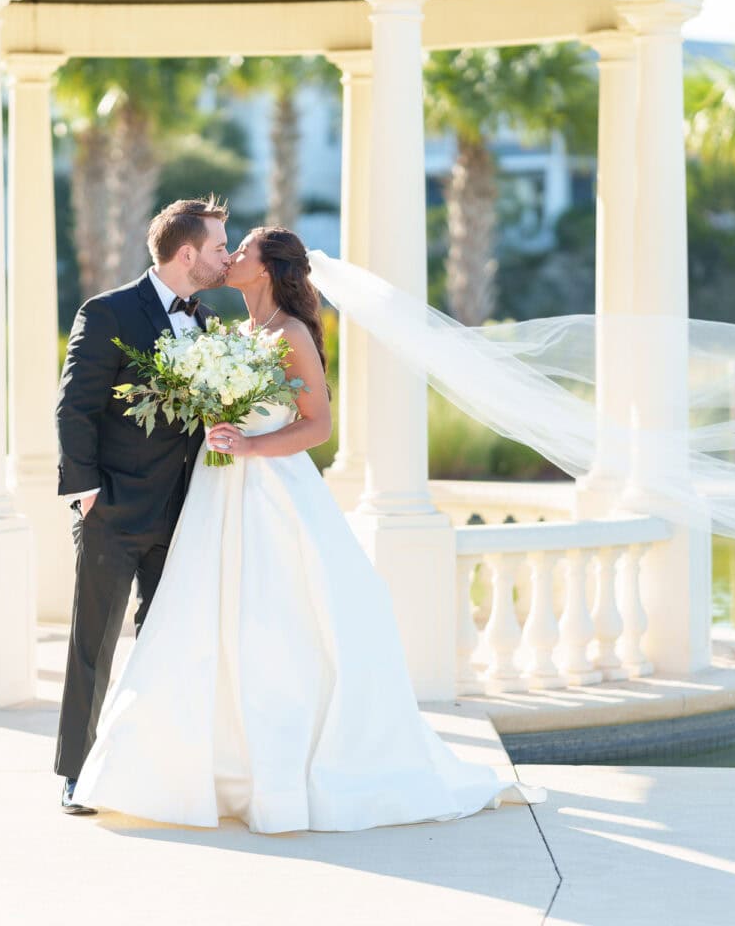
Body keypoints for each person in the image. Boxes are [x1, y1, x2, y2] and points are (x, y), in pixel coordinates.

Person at [69, 226, 545, 833]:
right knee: (205, 622)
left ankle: (280, 771)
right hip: (215, 494)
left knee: (277, 624)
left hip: (272, 494)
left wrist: (250, 442)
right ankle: (201, 769)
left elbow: (318, 427)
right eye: (228, 248)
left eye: (241, 251)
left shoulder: (290, 334)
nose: (232, 257)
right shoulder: (228, 333)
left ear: (265, 270)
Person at [52, 197, 234, 815]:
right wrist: (86, 494)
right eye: (217, 248)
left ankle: (150, 768)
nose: (225, 258)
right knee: (92, 644)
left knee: (166, 643)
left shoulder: (206, 323)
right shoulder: (105, 312)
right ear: (187, 254)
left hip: (184, 512)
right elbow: (73, 406)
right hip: (113, 510)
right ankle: (77, 774)